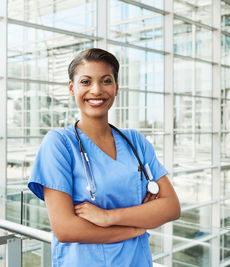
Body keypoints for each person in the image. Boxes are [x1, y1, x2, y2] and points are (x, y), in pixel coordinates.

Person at [28, 48, 180, 266]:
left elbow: (171, 207)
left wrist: (108, 217)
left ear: (116, 87)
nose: (96, 90)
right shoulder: (59, 144)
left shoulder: (135, 142)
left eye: (106, 81)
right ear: (72, 88)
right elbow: (66, 229)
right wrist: (137, 227)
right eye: (86, 82)